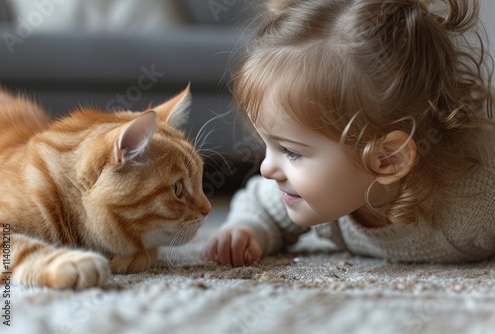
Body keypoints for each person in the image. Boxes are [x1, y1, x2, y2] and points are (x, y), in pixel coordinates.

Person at [202, 0, 495, 266]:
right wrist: (245, 230)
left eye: (291, 151)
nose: (266, 168)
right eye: (267, 143)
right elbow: (260, 207)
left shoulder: (479, 199)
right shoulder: (301, 193)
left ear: (387, 158)